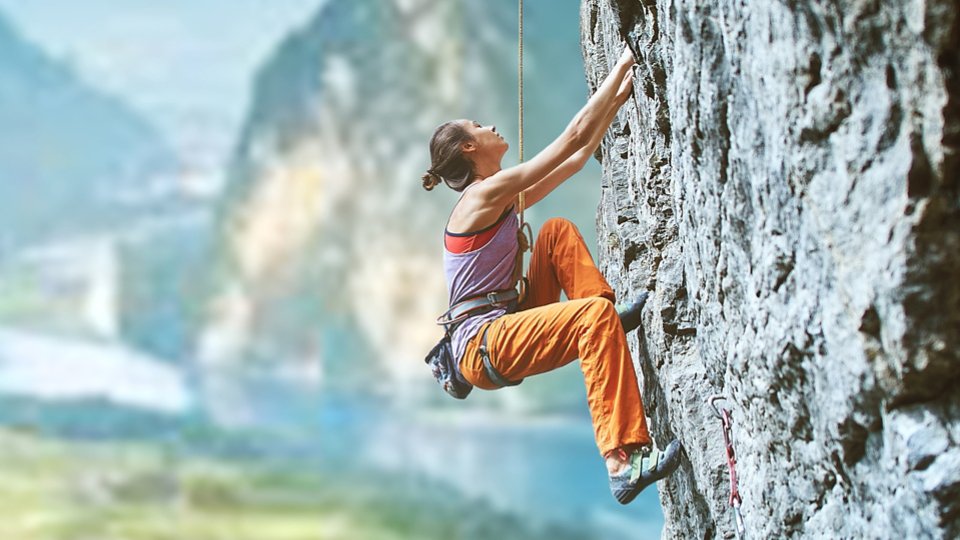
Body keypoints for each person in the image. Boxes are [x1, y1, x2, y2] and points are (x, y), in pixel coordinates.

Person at [421, 46, 681, 504]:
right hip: (484, 343)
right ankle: (622, 461)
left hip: (498, 325)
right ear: (469, 147)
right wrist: (624, 60)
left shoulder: (496, 199)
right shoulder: (484, 196)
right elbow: (570, 136)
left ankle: (605, 316)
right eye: (479, 127)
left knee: (556, 234)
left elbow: (576, 159)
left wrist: (619, 98)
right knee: (589, 321)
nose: (490, 126)